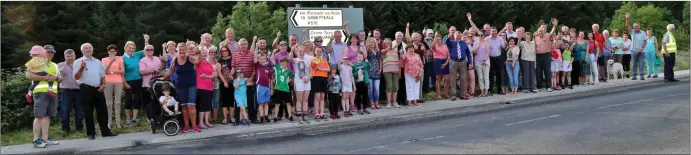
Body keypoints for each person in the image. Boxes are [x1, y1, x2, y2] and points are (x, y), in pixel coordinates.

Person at [73, 43, 118, 140]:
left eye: (90, 48)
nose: (88, 49)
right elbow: (76, 77)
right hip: (85, 88)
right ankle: (91, 133)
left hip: (98, 88)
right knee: (88, 111)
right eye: (86, 48)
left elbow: (102, 75)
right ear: (82, 51)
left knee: (103, 111)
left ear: (93, 49)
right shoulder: (78, 62)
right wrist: (81, 68)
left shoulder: (98, 62)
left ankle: (105, 131)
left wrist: (103, 85)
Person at [26, 45, 61, 148]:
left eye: (52, 52)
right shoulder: (36, 62)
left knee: (48, 116)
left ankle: (45, 138)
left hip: (53, 92)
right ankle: (36, 140)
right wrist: (45, 77)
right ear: (42, 53)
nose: (50, 54)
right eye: (48, 52)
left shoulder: (55, 65)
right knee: (39, 115)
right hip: (40, 91)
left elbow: (61, 78)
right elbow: (28, 75)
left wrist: (56, 77)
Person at [162, 42, 201, 133]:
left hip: (191, 85)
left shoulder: (190, 58)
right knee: (183, 106)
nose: (182, 52)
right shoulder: (175, 60)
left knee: (191, 105)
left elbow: (198, 61)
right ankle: (186, 125)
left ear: (186, 50)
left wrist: (198, 51)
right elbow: (170, 71)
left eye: (183, 50)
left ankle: (194, 125)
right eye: (180, 50)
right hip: (180, 86)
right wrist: (163, 78)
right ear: (177, 51)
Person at [230, 38, 258, 124]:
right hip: (239, 81)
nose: (244, 46)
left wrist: (251, 77)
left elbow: (255, 68)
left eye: (245, 44)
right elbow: (233, 67)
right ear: (239, 45)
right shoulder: (235, 55)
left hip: (249, 80)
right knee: (239, 101)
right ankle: (238, 119)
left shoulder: (251, 54)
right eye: (242, 44)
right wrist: (231, 75)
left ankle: (253, 118)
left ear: (247, 45)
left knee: (250, 100)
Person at [122, 35, 147, 127]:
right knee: (128, 100)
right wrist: (124, 83)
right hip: (128, 81)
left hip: (138, 80)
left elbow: (146, 50)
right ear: (125, 48)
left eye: (133, 48)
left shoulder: (136, 55)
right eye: (129, 48)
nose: (131, 49)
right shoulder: (122, 58)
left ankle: (135, 118)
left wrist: (146, 40)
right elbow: (121, 73)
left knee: (137, 99)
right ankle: (128, 118)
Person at [58, 49, 83, 135]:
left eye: (71, 56)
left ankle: (79, 128)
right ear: (65, 56)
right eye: (68, 56)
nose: (70, 58)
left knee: (79, 111)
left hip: (78, 91)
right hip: (65, 91)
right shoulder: (60, 65)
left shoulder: (79, 64)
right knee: (65, 111)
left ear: (75, 56)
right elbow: (56, 79)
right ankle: (66, 129)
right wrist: (60, 73)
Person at [102, 45, 126, 129]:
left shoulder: (120, 59)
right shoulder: (104, 59)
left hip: (119, 82)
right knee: (108, 103)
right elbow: (105, 71)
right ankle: (109, 123)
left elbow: (123, 71)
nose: (112, 53)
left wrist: (112, 72)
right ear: (108, 52)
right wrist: (111, 62)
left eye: (113, 51)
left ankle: (118, 123)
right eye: (110, 51)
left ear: (116, 52)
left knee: (118, 102)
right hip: (108, 82)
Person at [290, 45, 313, 124]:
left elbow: (311, 73)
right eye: (300, 51)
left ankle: (305, 114)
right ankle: (299, 115)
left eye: (303, 51)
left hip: (307, 82)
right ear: (297, 52)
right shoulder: (295, 60)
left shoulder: (308, 61)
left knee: (305, 99)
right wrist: (292, 50)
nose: (301, 53)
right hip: (299, 82)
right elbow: (289, 59)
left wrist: (308, 78)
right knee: (299, 100)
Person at [139, 44, 162, 126]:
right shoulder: (142, 60)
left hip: (157, 84)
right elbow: (142, 72)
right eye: (147, 50)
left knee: (158, 102)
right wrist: (153, 71)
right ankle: (150, 119)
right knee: (148, 103)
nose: (149, 51)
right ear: (145, 51)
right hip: (146, 85)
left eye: (151, 49)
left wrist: (158, 70)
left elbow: (161, 68)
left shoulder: (157, 59)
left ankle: (158, 119)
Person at [446, 32, 472, 100]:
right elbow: (447, 42)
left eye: (459, 36)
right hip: (453, 62)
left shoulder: (464, 43)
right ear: (454, 36)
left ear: (461, 37)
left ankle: (462, 94)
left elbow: (468, 53)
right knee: (453, 78)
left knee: (463, 79)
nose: (458, 37)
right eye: (457, 36)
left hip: (463, 62)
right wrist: (449, 36)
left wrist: (470, 63)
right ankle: (453, 95)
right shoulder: (451, 42)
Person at [535, 19, 558, 92]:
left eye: (542, 31)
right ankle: (539, 87)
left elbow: (552, 32)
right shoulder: (535, 38)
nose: (540, 32)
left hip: (546, 55)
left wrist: (554, 25)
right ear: (537, 32)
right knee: (538, 72)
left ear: (544, 31)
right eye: (539, 31)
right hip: (538, 56)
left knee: (547, 71)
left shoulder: (547, 36)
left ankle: (549, 87)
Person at [196, 47, 215, 129]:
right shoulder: (198, 62)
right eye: (202, 53)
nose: (204, 54)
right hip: (201, 87)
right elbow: (198, 58)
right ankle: (201, 122)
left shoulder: (209, 63)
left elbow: (214, 74)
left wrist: (207, 76)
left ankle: (206, 121)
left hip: (209, 87)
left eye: (205, 52)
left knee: (208, 105)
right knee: (203, 105)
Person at [625, 13, 648, 80]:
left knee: (641, 64)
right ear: (633, 27)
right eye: (635, 26)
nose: (636, 27)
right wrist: (627, 18)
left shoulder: (643, 32)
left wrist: (641, 49)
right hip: (633, 50)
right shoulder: (632, 32)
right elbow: (627, 25)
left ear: (639, 26)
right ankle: (634, 76)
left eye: (637, 26)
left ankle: (642, 76)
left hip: (641, 51)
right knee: (634, 64)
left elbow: (645, 42)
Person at [485, 27, 506, 95]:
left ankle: (499, 90)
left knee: (499, 74)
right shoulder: (487, 39)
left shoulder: (500, 38)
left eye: (495, 31)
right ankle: (490, 90)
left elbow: (503, 47)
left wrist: (504, 41)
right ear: (490, 32)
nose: (493, 32)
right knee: (490, 75)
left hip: (498, 58)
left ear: (497, 32)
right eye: (492, 31)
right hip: (490, 58)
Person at [381, 39, 401, 109]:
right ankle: (389, 103)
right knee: (389, 86)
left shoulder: (395, 51)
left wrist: (399, 72)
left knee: (395, 86)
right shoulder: (383, 51)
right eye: (386, 43)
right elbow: (383, 54)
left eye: (389, 43)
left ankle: (395, 102)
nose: (387, 44)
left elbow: (399, 61)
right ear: (384, 44)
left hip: (396, 70)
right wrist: (388, 48)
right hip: (387, 70)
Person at [218, 45, 236, 125]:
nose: (224, 52)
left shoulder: (232, 59)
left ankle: (232, 117)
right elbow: (219, 72)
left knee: (231, 100)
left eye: (226, 50)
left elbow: (234, 67)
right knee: (224, 101)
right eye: (222, 51)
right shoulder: (219, 61)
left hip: (232, 82)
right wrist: (224, 81)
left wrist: (231, 75)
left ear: (228, 51)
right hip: (223, 83)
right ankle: (225, 118)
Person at [311, 47, 330, 120]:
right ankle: (316, 112)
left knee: (322, 97)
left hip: (324, 79)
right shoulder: (313, 59)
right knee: (317, 97)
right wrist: (318, 65)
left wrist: (320, 69)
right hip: (316, 78)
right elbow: (314, 65)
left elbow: (328, 69)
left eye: (320, 51)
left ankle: (322, 112)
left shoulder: (324, 60)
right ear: (315, 52)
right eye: (317, 51)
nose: (319, 52)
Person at [273, 57, 294, 122]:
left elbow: (292, 76)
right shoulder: (277, 68)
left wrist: (290, 80)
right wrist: (273, 52)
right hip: (278, 89)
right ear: (280, 63)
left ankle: (290, 116)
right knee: (277, 104)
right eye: (282, 62)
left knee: (287, 103)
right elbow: (272, 59)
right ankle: (275, 117)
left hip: (286, 89)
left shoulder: (288, 71)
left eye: (285, 62)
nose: (283, 63)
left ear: (287, 63)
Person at [255, 53, 274, 124]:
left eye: (264, 59)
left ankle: (266, 116)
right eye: (261, 59)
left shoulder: (268, 69)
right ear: (258, 60)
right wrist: (256, 46)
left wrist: (271, 89)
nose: (262, 60)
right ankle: (261, 117)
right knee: (261, 103)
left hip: (267, 87)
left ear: (266, 60)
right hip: (260, 86)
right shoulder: (257, 66)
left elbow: (270, 80)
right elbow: (255, 57)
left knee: (266, 103)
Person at [432, 33, 451, 99]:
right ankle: (439, 94)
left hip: (445, 62)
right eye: (437, 39)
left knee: (448, 79)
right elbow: (432, 45)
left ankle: (446, 94)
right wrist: (435, 36)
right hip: (438, 62)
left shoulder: (445, 46)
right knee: (438, 79)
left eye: (440, 39)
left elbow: (449, 56)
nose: (439, 40)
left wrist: (446, 63)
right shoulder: (434, 46)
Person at [366, 37, 382, 110]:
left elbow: (380, 60)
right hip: (369, 72)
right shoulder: (367, 51)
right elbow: (365, 59)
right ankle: (372, 103)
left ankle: (376, 102)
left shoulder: (378, 51)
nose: (372, 43)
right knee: (370, 89)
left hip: (377, 72)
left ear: (375, 43)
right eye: (370, 42)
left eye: (373, 42)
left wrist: (380, 68)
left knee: (377, 89)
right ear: (368, 43)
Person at [474, 33, 491, 97]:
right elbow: (474, 53)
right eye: (479, 35)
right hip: (477, 61)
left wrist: (484, 60)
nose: (480, 36)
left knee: (486, 77)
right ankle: (482, 92)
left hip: (486, 61)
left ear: (484, 36)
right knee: (480, 77)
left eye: (482, 35)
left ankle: (486, 92)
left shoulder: (486, 42)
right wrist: (477, 48)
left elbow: (488, 52)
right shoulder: (476, 43)